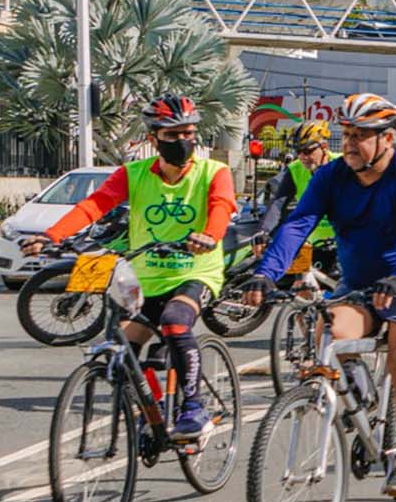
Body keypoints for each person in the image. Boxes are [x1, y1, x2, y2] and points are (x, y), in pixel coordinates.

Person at [242, 93, 396, 497]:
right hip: (360, 283)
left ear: (387, 138)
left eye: (361, 136)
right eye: (348, 135)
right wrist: (265, 274)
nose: (350, 144)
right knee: (330, 329)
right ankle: (364, 402)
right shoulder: (330, 176)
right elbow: (298, 223)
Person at [23, 97, 237, 438]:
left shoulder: (214, 172)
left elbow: (221, 205)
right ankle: (150, 408)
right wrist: (52, 235)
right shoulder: (133, 174)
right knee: (122, 348)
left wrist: (210, 236)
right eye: (172, 135)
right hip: (145, 278)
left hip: (195, 273)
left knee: (175, 322)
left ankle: (194, 408)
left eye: (189, 133)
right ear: (153, 139)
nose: (183, 141)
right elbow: (95, 205)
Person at [258, 120, 341, 278]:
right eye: (298, 151)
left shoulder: (342, 164)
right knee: (301, 288)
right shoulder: (295, 169)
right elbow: (277, 203)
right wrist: (263, 231)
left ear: (324, 147)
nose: (302, 157)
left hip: (343, 243)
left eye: (307, 151)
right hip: (312, 245)